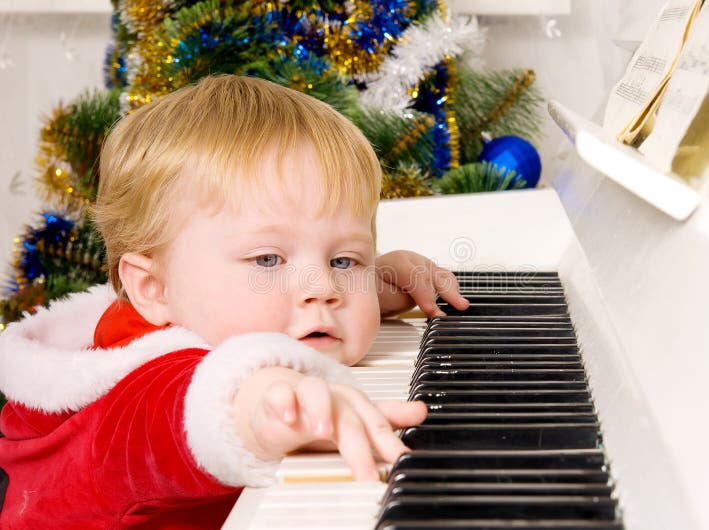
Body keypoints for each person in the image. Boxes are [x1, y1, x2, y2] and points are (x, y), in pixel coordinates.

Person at [0, 74, 469, 529]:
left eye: (343, 259)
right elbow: (188, 410)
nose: (321, 287)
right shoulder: (139, 394)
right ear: (153, 289)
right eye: (267, 259)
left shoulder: (196, 304)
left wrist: (378, 281)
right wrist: (265, 405)